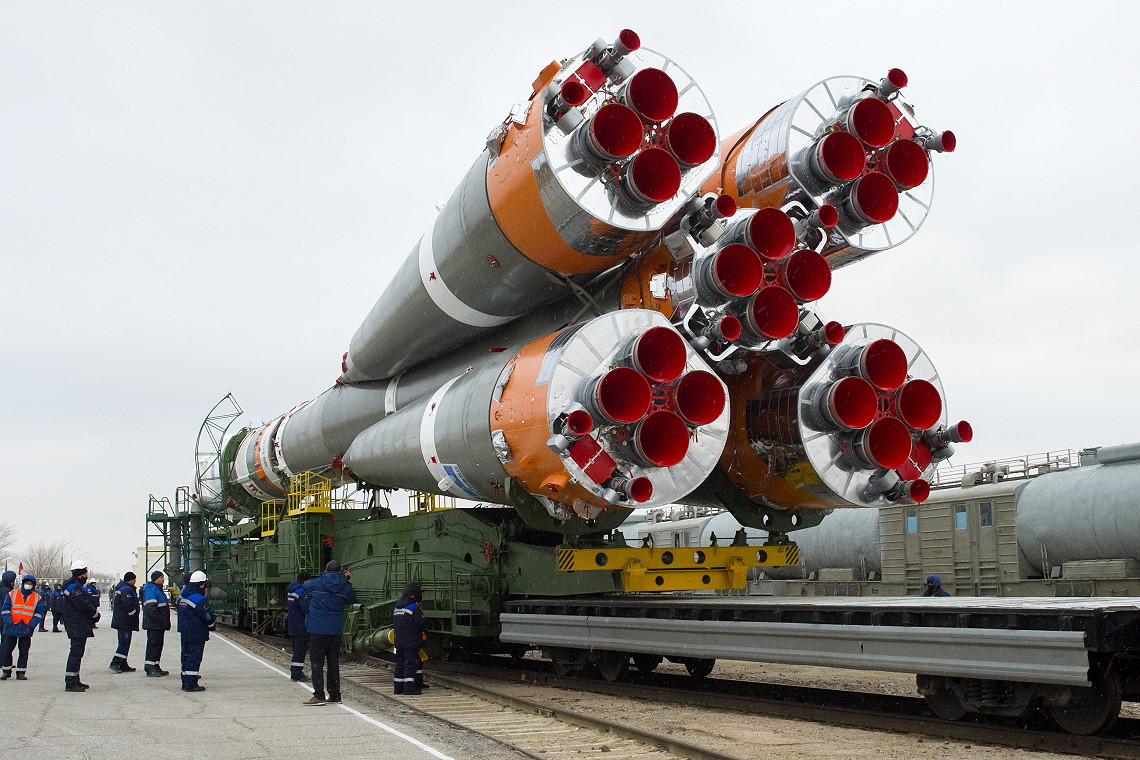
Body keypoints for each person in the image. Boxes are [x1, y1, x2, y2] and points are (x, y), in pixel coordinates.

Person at [299, 560, 354, 706]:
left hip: (317, 629)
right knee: (333, 663)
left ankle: (319, 695)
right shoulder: (345, 586)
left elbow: (305, 586)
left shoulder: (317, 583)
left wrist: (322, 577)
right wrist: (345, 580)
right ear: (340, 572)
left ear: (326, 569)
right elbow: (351, 598)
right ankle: (335, 695)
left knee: (317, 663)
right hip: (335, 630)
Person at [61, 562, 100, 691]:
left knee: (78, 652)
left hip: (77, 623)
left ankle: (75, 679)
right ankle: (71, 682)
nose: (86, 576)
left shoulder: (74, 586)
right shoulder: (74, 588)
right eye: (85, 573)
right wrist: (95, 614)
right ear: (80, 573)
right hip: (76, 623)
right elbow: (83, 604)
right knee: (76, 652)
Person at [1, 574, 46, 680]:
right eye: (26, 583)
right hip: (11, 626)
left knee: (24, 651)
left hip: (26, 627)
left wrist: (31, 625)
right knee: (6, 650)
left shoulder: (37, 597)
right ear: (23, 583)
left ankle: (21, 672)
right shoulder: (12, 594)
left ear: (34, 585)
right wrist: (9, 622)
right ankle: (6, 671)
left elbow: (39, 613)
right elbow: (5, 609)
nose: (28, 585)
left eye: (30, 584)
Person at [177, 570, 216, 692]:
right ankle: (190, 684)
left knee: (186, 655)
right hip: (196, 633)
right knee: (194, 657)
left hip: (185, 631)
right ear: (200, 584)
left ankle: (186, 679)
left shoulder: (184, 597)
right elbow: (207, 617)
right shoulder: (199, 599)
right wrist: (212, 626)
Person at [392, 581, 427, 695]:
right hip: (411, 642)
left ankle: (398, 688)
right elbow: (422, 623)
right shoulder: (414, 608)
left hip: (399, 641)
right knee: (410, 664)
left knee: (400, 664)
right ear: (413, 595)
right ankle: (409, 689)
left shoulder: (397, 607)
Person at [141, 571, 170, 677]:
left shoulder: (158, 590)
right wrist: (160, 619)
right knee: (153, 645)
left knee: (158, 645)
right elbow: (150, 609)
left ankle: (156, 665)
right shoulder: (151, 590)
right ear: (156, 579)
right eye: (162, 577)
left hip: (159, 624)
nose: (163, 579)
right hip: (154, 624)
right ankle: (150, 667)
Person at [109, 572, 139, 673]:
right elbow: (127, 604)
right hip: (124, 621)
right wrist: (133, 613)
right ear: (130, 579)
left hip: (122, 620)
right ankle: (116, 663)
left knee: (124, 642)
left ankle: (123, 663)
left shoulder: (122, 588)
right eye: (134, 579)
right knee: (124, 643)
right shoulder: (126, 589)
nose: (135, 581)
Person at [286, 572, 312, 682]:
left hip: (293, 624)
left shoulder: (292, 590)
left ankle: (294, 671)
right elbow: (305, 607)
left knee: (296, 650)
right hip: (301, 625)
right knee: (300, 652)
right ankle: (297, 674)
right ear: (306, 581)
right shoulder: (302, 592)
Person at [0, 571, 14, 670]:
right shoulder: (6, 591)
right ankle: (4, 662)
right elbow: (7, 605)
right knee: (6, 642)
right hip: (3, 619)